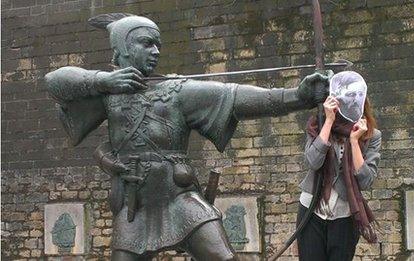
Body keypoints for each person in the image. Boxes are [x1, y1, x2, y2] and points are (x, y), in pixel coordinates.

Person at [45, 13, 332, 260]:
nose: (155, 51)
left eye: (157, 44)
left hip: (179, 198)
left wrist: (298, 96)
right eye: (146, 43)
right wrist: (102, 81)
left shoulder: (176, 91)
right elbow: (54, 81)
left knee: (221, 256)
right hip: (134, 207)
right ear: (122, 48)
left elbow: (235, 97)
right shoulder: (108, 94)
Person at [297, 72, 381, 261]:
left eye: (353, 97)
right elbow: (312, 161)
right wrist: (327, 121)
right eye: (343, 97)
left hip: (345, 214)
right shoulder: (317, 124)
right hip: (311, 209)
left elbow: (366, 180)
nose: (347, 102)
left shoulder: (372, 136)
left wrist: (354, 141)